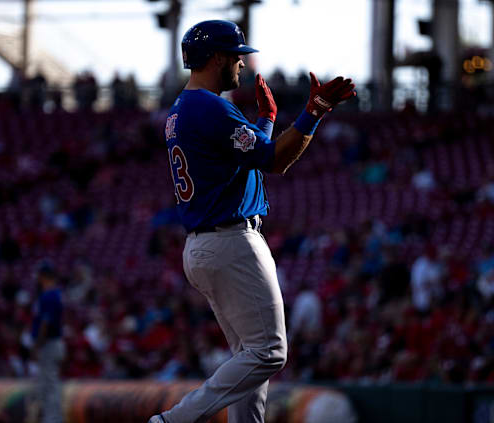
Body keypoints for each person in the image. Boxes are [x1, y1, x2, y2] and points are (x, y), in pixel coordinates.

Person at [149, 20, 355, 423]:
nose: (242, 65)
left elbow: (251, 156)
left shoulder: (183, 108)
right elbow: (274, 160)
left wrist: (267, 119)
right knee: (270, 351)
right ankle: (174, 420)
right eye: (237, 57)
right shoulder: (210, 107)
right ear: (219, 57)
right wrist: (313, 112)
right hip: (230, 241)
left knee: (250, 357)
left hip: (206, 242)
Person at [31, 262, 65, 423]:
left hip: (49, 343)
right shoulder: (55, 293)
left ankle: (53, 419)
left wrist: (38, 344)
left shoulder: (49, 295)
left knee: (49, 384)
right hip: (53, 343)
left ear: (44, 276)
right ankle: (52, 418)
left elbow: (46, 322)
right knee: (49, 384)